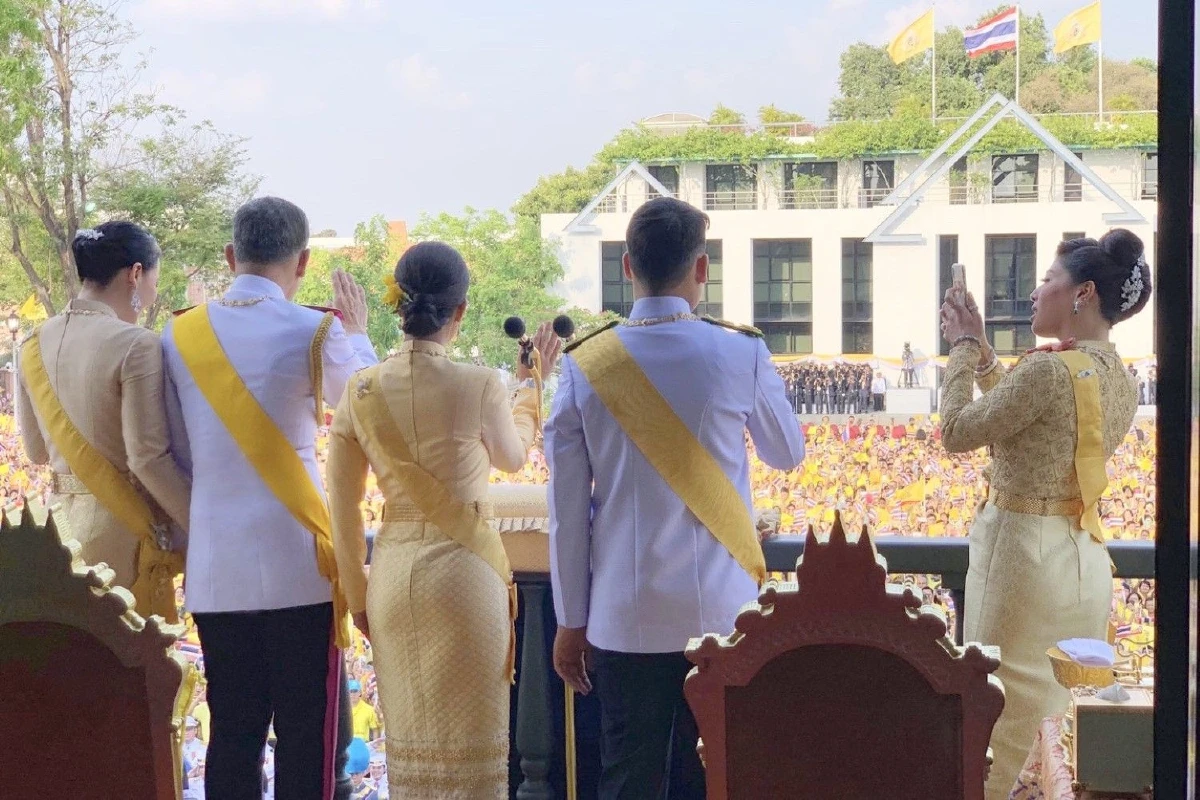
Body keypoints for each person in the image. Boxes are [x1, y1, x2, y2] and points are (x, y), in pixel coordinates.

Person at [547, 197, 806, 799]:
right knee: (713, 779)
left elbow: (566, 515)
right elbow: (786, 454)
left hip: (620, 616)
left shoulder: (586, 362)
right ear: (702, 269)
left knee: (627, 781)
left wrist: (570, 620)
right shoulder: (740, 350)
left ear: (629, 268)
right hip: (720, 615)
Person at [163, 197, 377, 800]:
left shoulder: (179, 333)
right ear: (304, 261)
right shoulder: (319, 329)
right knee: (307, 736)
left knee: (233, 729)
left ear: (232, 256)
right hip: (299, 563)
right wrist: (358, 337)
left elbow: (178, 453)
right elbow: (371, 413)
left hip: (216, 563)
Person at [328, 241, 560, 797]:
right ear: (459, 311)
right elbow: (511, 456)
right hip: (465, 574)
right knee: (474, 749)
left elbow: (340, 505)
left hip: (393, 577)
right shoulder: (477, 383)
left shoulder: (359, 391)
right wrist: (529, 387)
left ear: (398, 306)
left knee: (409, 748)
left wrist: (357, 597)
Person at [939, 230, 1150, 798]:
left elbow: (957, 432)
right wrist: (986, 355)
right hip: (1078, 553)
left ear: (1081, 293)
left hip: (1019, 555)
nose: (1035, 293)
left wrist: (961, 349)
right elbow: (1027, 418)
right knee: (1045, 707)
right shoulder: (1120, 377)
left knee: (994, 709)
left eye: (1046, 280)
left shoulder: (1048, 371)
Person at [15, 221, 190, 620]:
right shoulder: (136, 344)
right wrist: (200, 526)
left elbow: (37, 452)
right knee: (129, 671)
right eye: (154, 279)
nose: (153, 291)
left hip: (57, 529)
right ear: (135, 273)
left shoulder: (30, 344)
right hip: (121, 530)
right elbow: (148, 459)